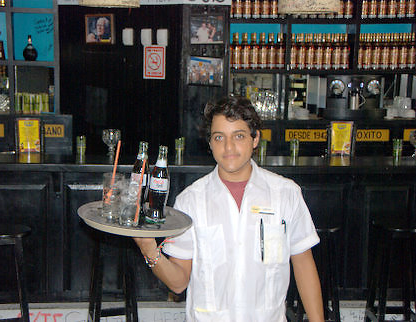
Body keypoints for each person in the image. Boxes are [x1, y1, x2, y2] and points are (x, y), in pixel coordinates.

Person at [134, 96, 324, 321]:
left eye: (239, 136)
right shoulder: (191, 201)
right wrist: (149, 249)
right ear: (210, 143)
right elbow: (178, 283)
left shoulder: (285, 194)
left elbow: (303, 264)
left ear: (255, 139)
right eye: (219, 137)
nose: (229, 147)